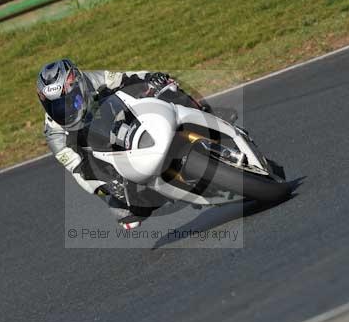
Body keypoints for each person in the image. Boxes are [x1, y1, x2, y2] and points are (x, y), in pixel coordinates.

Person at [36, 59, 236, 229]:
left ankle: (208, 116)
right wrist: (106, 187)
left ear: (78, 85)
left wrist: (151, 78)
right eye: (56, 106)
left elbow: (127, 77)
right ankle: (158, 190)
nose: (66, 109)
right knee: (123, 212)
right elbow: (79, 170)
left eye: (69, 101)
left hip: (122, 116)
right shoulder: (55, 135)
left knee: (165, 85)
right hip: (103, 153)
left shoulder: (92, 79)